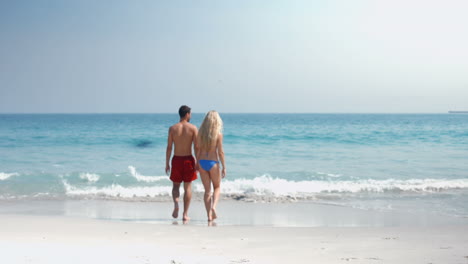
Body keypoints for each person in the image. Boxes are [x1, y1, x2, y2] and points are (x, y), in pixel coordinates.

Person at [166, 105, 198, 221]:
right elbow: (197, 147)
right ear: (187, 114)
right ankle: (185, 214)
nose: (191, 116)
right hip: (188, 159)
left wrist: (167, 163)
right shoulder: (193, 128)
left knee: (175, 186)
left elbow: (169, 147)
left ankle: (176, 203)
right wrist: (198, 162)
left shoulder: (172, 129)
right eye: (190, 114)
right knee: (188, 187)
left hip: (176, 159)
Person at [196, 110, 226, 222]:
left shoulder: (200, 134)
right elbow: (220, 152)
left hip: (202, 162)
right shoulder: (218, 135)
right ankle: (214, 207)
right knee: (217, 187)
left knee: (207, 191)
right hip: (213, 163)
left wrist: (196, 163)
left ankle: (208, 216)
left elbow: (198, 150)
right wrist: (224, 167)